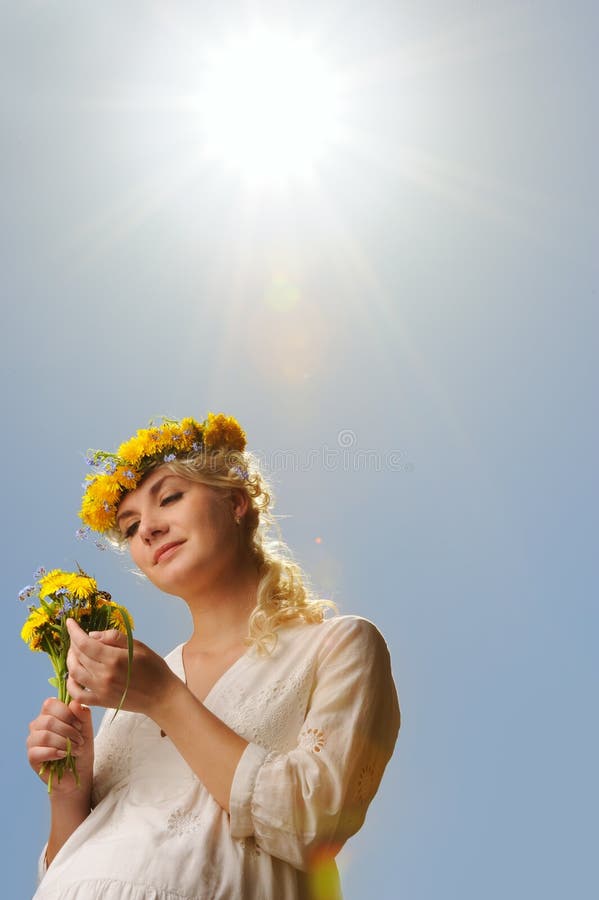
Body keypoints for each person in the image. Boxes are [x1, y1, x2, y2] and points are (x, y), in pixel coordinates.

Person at [27, 412, 400, 900]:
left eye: (170, 498)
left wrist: (166, 699)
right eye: (131, 524)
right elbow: (79, 859)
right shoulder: (135, 686)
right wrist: (68, 792)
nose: (148, 531)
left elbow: (316, 825)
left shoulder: (339, 647)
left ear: (236, 500)